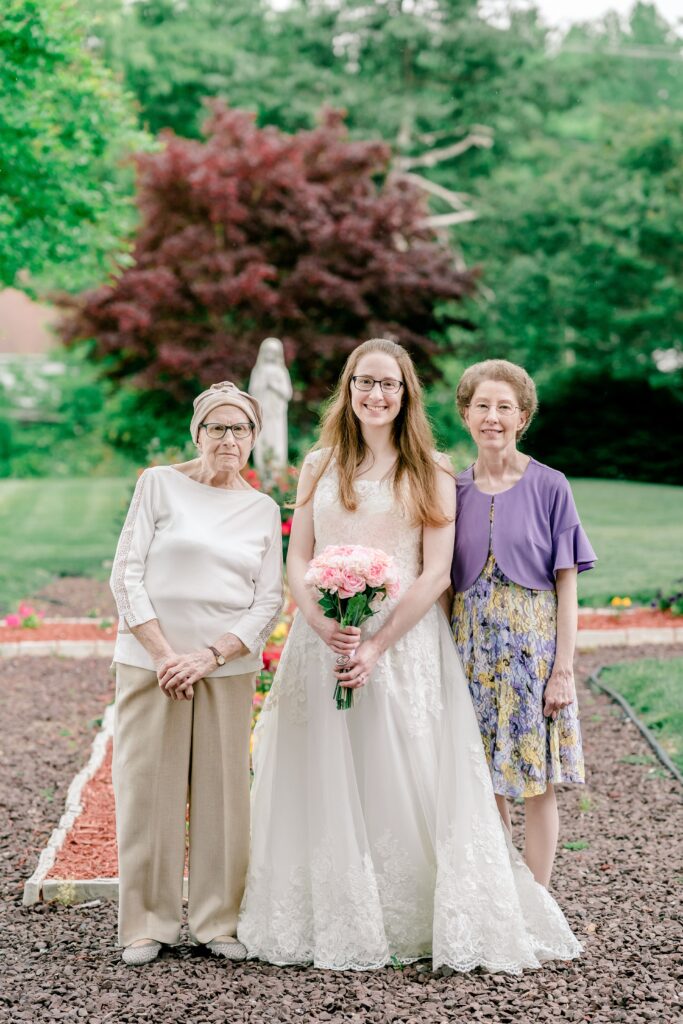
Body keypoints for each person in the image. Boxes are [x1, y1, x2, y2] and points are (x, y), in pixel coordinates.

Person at [238, 339, 582, 972]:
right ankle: (333, 909)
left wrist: (374, 644)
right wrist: (319, 623)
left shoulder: (431, 468)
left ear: (406, 395)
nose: (376, 395)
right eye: (365, 383)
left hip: (405, 644)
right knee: (326, 770)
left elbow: (432, 574)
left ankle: (413, 911)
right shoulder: (318, 464)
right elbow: (298, 557)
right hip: (323, 643)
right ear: (348, 389)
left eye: (389, 385)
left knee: (407, 769)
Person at [110, 381, 283, 966]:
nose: (228, 439)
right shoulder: (158, 484)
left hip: (223, 670)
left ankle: (217, 920)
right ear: (197, 433)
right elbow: (126, 575)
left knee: (223, 796)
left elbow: (268, 600)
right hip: (150, 665)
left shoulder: (261, 509)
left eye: (239, 429)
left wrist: (209, 656)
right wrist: (164, 655)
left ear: (254, 439)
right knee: (146, 792)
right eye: (217, 427)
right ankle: (145, 923)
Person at [450, 359, 596, 888]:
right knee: (481, 781)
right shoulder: (451, 489)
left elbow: (567, 584)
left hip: (533, 655)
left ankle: (537, 899)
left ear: (523, 417)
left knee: (536, 781)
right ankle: (496, 899)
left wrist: (563, 670)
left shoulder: (551, 486)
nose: (492, 417)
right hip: (467, 651)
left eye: (504, 407)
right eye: (481, 406)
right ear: (466, 415)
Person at [248, 337, 293, 478]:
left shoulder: (281, 371)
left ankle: (277, 476)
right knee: (262, 442)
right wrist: (263, 384)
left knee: (277, 442)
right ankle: (262, 474)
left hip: (277, 416)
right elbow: (252, 392)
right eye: (267, 351)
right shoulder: (258, 370)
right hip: (262, 415)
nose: (270, 354)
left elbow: (287, 393)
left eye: (273, 351)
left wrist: (273, 385)